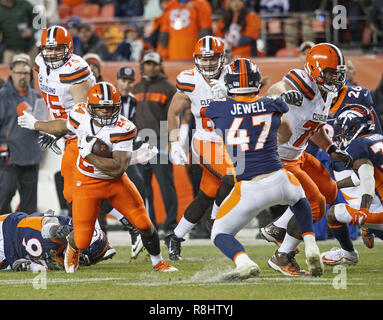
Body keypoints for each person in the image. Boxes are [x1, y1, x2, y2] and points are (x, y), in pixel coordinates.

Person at [18, 82, 177, 273]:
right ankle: (73, 249)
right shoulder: (80, 115)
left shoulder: (124, 128)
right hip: (86, 182)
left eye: (110, 108)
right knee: (83, 238)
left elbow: (117, 169)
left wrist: (89, 155)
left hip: (115, 182)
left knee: (144, 224)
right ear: (90, 108)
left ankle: (158, 262)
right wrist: (36, 124)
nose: (106, 112)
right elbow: (64, 126)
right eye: (101, 108)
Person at [202, 58, 323, 279]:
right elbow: (286, 136)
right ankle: (311, 244)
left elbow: (215, 117)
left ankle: (244, 262)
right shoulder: (272, 104)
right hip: (279, 178)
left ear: (229, 83)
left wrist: (220, 96)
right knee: (300, 200)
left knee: (219, 233)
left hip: (249, 188)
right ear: (258, 81)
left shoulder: (218, 108)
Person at [260, 43, 353, 276]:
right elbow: (275, 89)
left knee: (330, 192)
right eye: (331, 72)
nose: (335, 78)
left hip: (298, 154)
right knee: (316, 205)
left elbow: (315, 128)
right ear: (314, 68)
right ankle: (282, 256)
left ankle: (278, 228)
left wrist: (331, 148)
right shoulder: (301, 81)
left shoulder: (327, 92)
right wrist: (281, 95)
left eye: (338, 73)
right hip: (277, 157)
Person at [166, 36, 235, 260]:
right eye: (203, 59)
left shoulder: (233, 76)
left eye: (212, 58)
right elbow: (174, 112)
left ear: (222, 58)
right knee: (233, 177)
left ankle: (175, 236)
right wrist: (175, 142)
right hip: (205, 140)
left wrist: (231, 96)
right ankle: (215, 223)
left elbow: (251, 104)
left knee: (206, 195)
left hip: (229, 143)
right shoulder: (189, 79)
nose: (207, 64)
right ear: (196, 60)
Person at [321, 104, 383, 265]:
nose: (342, 133)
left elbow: (367, 175)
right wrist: (334, 185)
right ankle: (368, 227)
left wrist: (363, 210)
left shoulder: (357, 145)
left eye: (344, 129)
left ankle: (348, 254)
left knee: (333, 214)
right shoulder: (378, 140)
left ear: (354, 127)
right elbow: (359, 178)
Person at [132, 50, 178, 237]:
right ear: (142, 65)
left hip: (159, 141)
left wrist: (170, 142)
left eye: (154, 64)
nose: (151, 67)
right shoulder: (135, 88)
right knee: (143, 187)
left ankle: (170, 226)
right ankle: (148, 225)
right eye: (148, 64)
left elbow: (173, 116)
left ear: (160, 65)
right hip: (139, 142)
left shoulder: (168, 88)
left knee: (165, 185)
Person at [0, 53, 44, 214]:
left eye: (26, 73)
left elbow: (41, 124)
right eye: (19, 73)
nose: (22, 77)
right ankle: (3, 230)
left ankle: (25, 235)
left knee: (29, 202)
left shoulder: (36, 96)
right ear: (11, 73)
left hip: (32, 155)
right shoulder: (3, 96)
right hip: (8, 156)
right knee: (4, 194)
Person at [0, 210, 115, 271]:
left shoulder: (61, 262)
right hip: (8, 230)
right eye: (82, 258)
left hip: (9, 258)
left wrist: (29, 266)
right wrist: (59, 230)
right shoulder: (65, 226)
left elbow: (34, 265)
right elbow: (47, 225)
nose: (80, 260)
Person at [0, 0, 39, 65]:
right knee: (6, 72)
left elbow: (39, 19)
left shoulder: (24, 4)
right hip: (10, 49)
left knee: (33, 72)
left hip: (30, 48)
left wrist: (31, 30)